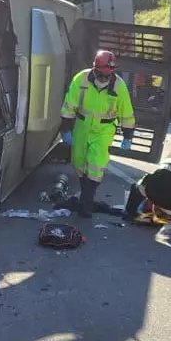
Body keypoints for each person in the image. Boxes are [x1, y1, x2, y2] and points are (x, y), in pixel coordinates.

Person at [60, 50, 136, 217]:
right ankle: (85, 198)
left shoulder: (119, 86)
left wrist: (128, 135)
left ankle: (86, 202)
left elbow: (126, 112)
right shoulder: (81, 79)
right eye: (101, 74)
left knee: (95, 164)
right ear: (94, 69)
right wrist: (65, 128)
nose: (104, 79)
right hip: (82, 125)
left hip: (104, 129)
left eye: (108, 75)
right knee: (78, 162)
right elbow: (69, 104)